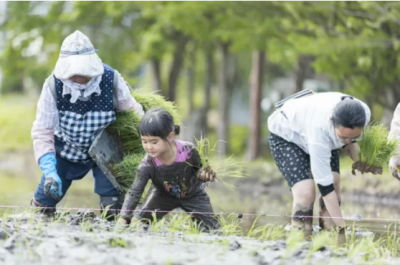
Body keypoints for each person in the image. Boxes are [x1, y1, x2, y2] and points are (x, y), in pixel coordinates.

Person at [31, 30, 144, 218]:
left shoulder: (111, 79)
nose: (79, 77)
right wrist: (50, 170)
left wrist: (150, 137)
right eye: (74, 73)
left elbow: (133, 111)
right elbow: (43, 130)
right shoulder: (52, 86)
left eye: (84, 72)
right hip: (65, 149)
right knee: (43, 204)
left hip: (104, 150)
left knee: (112, 208)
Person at [268, 92, 371, 235]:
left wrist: (364, 163)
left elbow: (350, 143)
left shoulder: (363, 113)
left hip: (321, 132)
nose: (348, 141)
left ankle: (330, 235)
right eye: (344, 137)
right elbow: (325, 187)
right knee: (306, 193)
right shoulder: (319, 133)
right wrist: (343, 227)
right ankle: (300, 239)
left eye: (354, 137)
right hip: (287, 137)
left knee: (334, 182)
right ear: (331, 121)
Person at [117, 108, 220, 231]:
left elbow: (202, 168)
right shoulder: (147, 164)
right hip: (161, 196)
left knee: (213, 229)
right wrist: (124, 217)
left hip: (194, 194)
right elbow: (135, 191)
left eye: (154, 142)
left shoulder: (188, 151)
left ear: (170, 136)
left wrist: (204, 174)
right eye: (144, 141)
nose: (149, 147)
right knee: (139, 224)